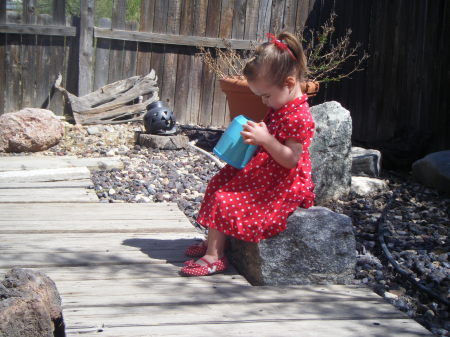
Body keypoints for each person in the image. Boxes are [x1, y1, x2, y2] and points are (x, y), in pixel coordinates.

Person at [180, 32, 315, 277]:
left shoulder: (299, 116)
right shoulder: (281, 104)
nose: (264, 102)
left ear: (289, 83)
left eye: (266, 95)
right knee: (217, 183)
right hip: (266, 169)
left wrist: (267, 140)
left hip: (282, 181)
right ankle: (215, 241)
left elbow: (291, 159)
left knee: (226, 198)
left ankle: (215, 256)